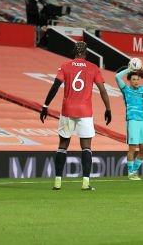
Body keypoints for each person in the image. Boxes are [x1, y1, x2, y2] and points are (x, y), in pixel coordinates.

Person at [39, 42, 112, 191]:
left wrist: (45, 106)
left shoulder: (65, 66)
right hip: (85, 112)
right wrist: (108, 109)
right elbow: (103, 90)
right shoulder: (93, 68)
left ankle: (57, 182)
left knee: (62, 146)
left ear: (74, 52)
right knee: (86, 147)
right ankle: (85, 183)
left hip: (67, 110)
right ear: (86, 53)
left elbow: (55, 86)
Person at [115, 61, 143, 181]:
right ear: (129, 80)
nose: (136, 81)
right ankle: (131, 173)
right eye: (133, 79)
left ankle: (134, 171)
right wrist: (129, 70)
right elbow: (117, 76)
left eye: (137, 79)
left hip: (142, 122)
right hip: (132, 121)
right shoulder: (125, 90)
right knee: (132, 148)